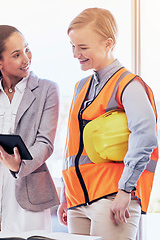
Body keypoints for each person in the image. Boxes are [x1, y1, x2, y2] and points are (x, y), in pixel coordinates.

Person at [57, 8, 158, 240]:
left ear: (108, 43)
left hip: (113, 196)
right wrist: (66, 194)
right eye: (72, 46)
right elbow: (72, 147)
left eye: (83, 47)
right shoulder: (80, 87)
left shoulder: (129, 85)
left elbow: (145, 138)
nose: (75, 54)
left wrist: (125, 191)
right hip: (77, 199)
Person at [0, 25, 60, 236]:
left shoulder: (47, 90)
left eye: (27, 50)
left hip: (29, 199)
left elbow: (46, 143)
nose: (26, 58)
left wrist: (18, 164)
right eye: (16, 55)